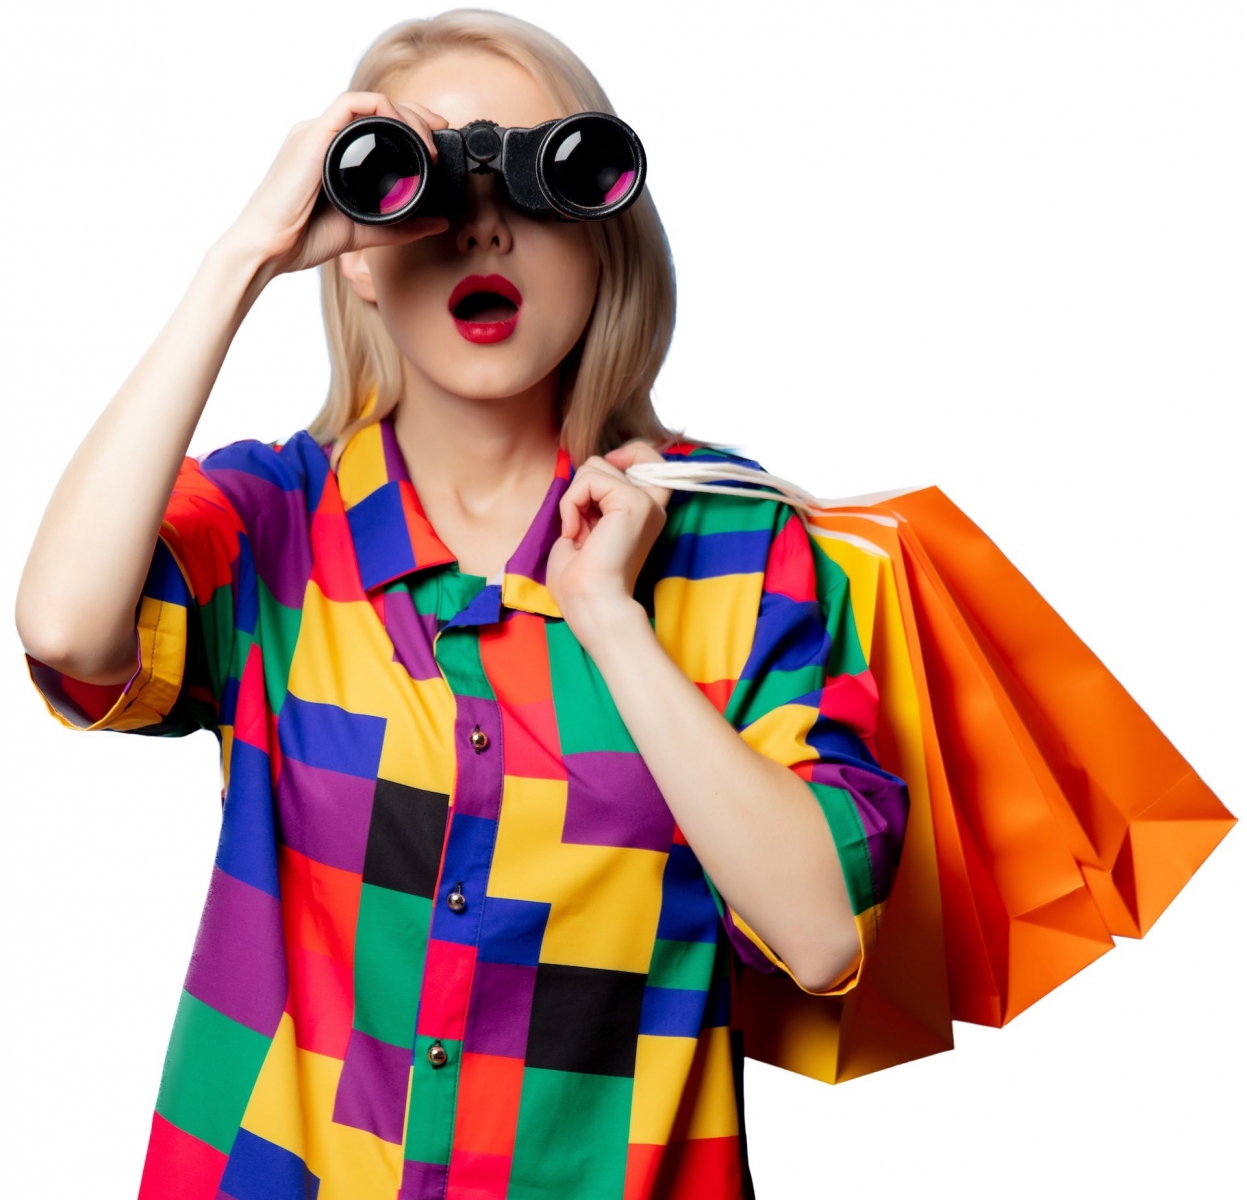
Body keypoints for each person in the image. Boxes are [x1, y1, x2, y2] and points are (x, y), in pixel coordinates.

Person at [14, 9, 908, 1199]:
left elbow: (819, 931)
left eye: (546, 179)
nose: (484, 223)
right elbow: (67, 630)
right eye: (422, 184)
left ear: (606, 234)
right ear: (356, 256)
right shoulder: (275, 522)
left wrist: (609, 619)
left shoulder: (736, 548)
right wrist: (243, 253)